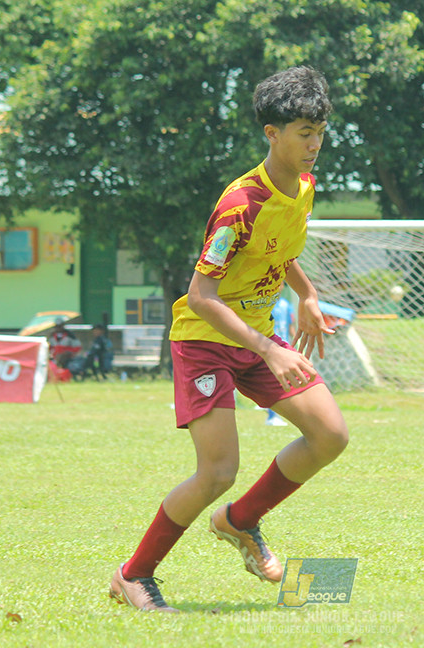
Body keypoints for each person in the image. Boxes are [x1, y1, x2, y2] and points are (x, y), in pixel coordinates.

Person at [109, 65, 348, 613]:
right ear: (272, 134)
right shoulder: (239, 204)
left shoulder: (303, 188)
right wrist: (267, 347)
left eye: (320, 131)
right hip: (206, 340)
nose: (315, 144)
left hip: (258, 336)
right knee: (218, 471)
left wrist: (307, 296)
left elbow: (279, 251)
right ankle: (133, 574)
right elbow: (200, 296)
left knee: (330, 434)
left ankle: (240, 521)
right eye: (303, 133)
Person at [266, 296, 294, 426]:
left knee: (282, 382)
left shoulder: (285, 304)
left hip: (283, 346)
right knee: (275, 381)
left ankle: (273, 414)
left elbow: (290, 325)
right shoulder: (264, 302)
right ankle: (272, 416)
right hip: (268, 347)